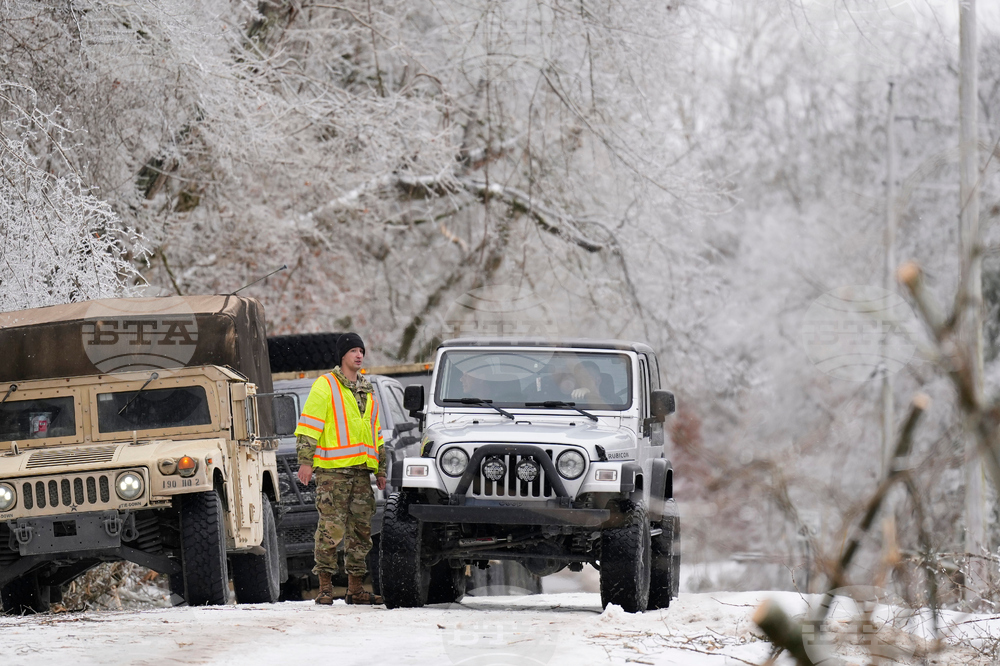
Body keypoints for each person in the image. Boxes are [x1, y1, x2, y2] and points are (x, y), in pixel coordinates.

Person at [294, 332, 387, 605]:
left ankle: (355, 589)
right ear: (342, 355)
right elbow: (309, 425)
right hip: (332, 473)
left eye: (362, 350)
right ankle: (324, 588)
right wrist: (305, 461)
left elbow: (376, 432)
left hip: (361, 472)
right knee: (330, 529)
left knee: (360, 532)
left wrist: (380, 469)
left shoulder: (367, 390)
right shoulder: (326, 385)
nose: (359, 355)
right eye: (354, 350)